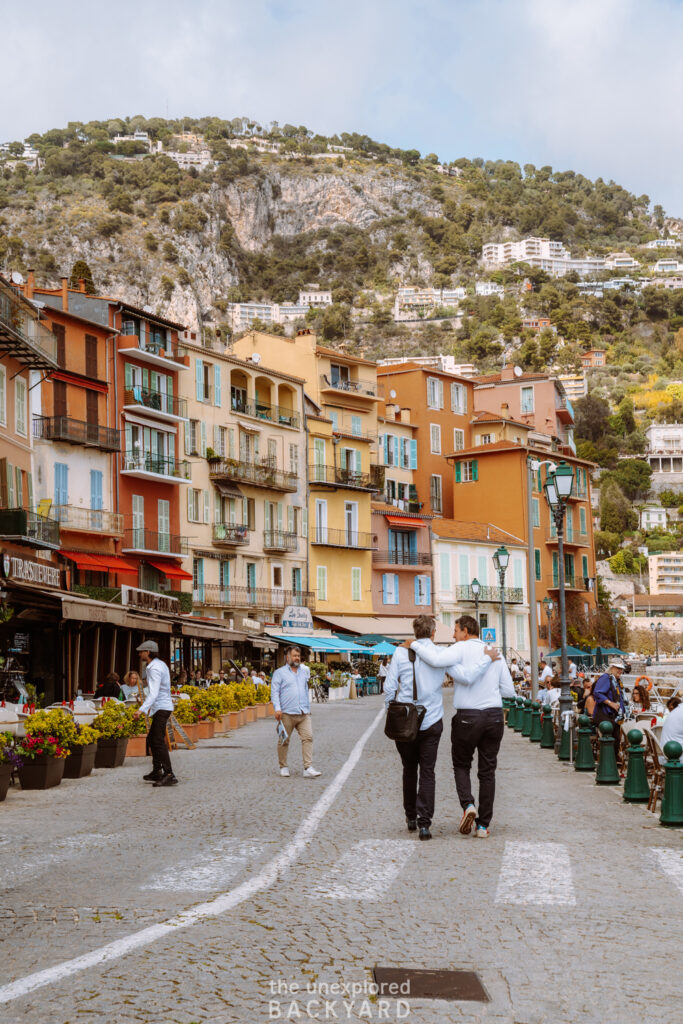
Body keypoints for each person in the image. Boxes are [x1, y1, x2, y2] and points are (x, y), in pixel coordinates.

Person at [388, 615, 495, 841]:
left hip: (405, 720)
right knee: (428, 771)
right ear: (434, 633)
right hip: (432, 720)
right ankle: (425, 824)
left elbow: (389, 688)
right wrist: (486, 659)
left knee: (409, 769)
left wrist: (392, 712)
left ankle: (411, 817)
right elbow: (465, 676)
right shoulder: (440, 655)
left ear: (415, 631)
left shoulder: (399, 653)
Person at [410, 614, 511, 839]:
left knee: (461, 764)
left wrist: (415, 644)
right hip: (494, 716)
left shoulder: (460, 649)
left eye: (455, 631)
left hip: (468, 716)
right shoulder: (496, 652)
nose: (454, 636)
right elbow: (509, 690)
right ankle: (483, 826)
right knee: (488, 772)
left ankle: (468, 805)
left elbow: (436, 660)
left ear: (466, 631)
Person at [270, 646, 321, 779]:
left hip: (303, 712)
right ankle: (283, 766)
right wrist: (277, 708)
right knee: (284, 740)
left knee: (308, 737)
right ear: (287, 657)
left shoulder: (305, 671)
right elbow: (274, 692)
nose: (297, 658)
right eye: (294, 656)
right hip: (286, 712)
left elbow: (305, 688)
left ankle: (308, 767)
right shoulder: (279, 673)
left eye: (298, 656)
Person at [133, 640, 177, 787]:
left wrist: (141, 710)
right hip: (162, 706)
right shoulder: (160, 664)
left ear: (149, 652)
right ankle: (157, 771)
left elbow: (153, 692)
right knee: (152, 738)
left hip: (161, 706)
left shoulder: (154, 668)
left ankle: (169, 774)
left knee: (157, 741)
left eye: (142, 651)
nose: (140, 654)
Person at [592, 658, 626, 734]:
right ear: (611, 668)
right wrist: (610, 703)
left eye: (621, 669)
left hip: (615, 717)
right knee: (610, 742)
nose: (620, 671)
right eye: (618, 668)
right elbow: (597, 693)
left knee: (615, 742)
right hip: (606, 716)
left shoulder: (616, 680)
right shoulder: (606, 677)